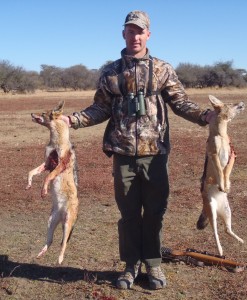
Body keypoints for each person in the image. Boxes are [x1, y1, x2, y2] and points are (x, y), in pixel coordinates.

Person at [63, 10, 212, 290]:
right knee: (129, 212)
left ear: (148, 35)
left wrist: (206, 116)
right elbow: (100, 108)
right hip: (122, 154)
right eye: (130, 31)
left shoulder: (163, 69)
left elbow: (181, 103)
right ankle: (130, 265)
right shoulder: (110, 72)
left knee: (155, 211)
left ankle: (153, 265)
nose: (135, 36)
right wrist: (72, 120)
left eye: (140, 31)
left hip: (155, 153)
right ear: (123, 34)